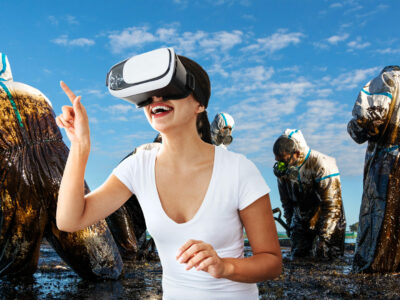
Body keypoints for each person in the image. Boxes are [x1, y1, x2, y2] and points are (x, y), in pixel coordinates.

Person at [55, 50, 282, 300]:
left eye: (170, 88)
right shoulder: (137, 166)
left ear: (200, 104)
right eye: (148, 94)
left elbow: (271, 263)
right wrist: (80, 147)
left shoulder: (239, 169)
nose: (156, 98)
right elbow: (70, 220)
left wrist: (226, 266)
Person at [0, 53, 122, 279]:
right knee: (103, 266)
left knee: (13, 276)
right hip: (60, 170)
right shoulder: (35, 93)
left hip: (13, 178)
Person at [348, 65, 400, 273]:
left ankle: (374, 269)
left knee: (379, 220)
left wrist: (353, 128)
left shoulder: (387, 79)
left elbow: (368, 121)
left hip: (387, 165)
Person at [273, 129, 346, 259]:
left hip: (327, 215)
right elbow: (286, 204)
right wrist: (290, 225)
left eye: (283, 160)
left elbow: (332, 206)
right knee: (298, 257)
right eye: (278, 160)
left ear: (296, 153)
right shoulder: (283, 172)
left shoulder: (322, 164)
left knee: (326, 257)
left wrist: (324, 237)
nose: (280, 164)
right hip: (301, 216)